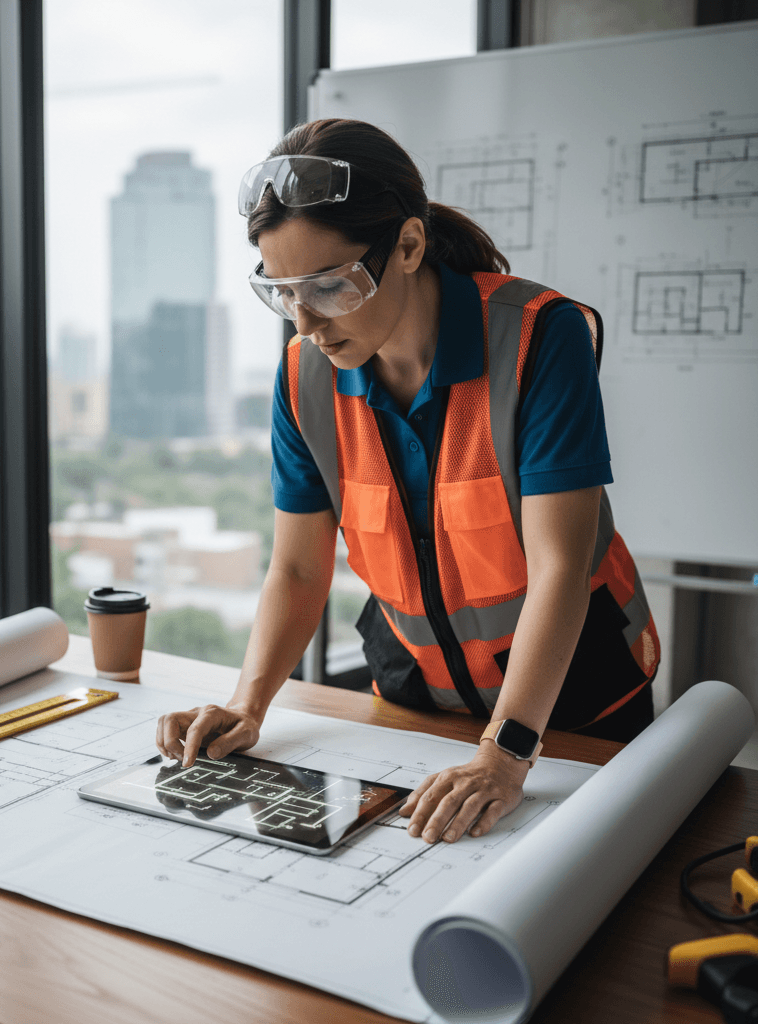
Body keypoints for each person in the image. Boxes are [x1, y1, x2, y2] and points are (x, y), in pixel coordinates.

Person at [155, 119, 660, 845]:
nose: (307, 324)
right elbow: (298, 569)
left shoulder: (539, 339)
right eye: (284, 291)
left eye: (330, 286)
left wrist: (506, 751)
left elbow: (560, 567)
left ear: (411, 246)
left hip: (570, 705)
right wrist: (249, 702)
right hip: (417, 699)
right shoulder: (304, 377)